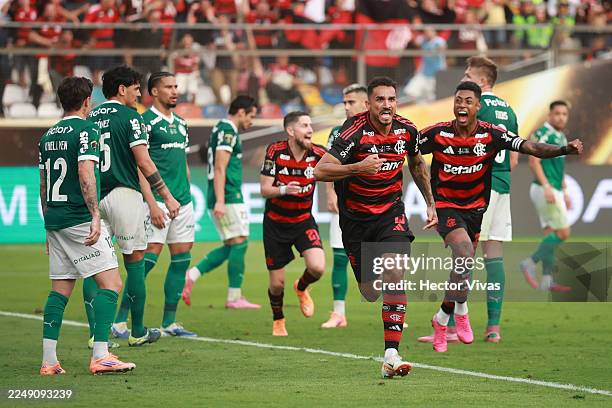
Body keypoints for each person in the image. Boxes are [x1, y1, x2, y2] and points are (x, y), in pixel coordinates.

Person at [418, 81, 582, 353]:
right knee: (464, 250)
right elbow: (406, 147)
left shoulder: (492, 134)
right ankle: (461, 311)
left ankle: (442, 318)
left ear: (477, 107)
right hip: (447, 206)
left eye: (468, 101)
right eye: (458, 100)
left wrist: (564, 150)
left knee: (463, 266)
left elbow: (531, 148)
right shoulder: (437, 133)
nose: (462, 105)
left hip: (475, 209)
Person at [314, 77, 437, 379]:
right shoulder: (353, 131)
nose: (386, 105)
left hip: (390, 214)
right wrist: (358, 167)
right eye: (380, 100)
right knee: (370, 292)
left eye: (391, 99)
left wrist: (431, 203)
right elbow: (320, 170)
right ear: (369, 104)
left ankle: (391, 355)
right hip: (356, 221)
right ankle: (379, 292)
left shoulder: (407, 130)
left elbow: (418, 164)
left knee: (395, 271)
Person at [418, 56, 519, 344]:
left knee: (465, 254)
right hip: (503, 184)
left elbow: (467, 144)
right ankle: (493, 327)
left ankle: (450, 324)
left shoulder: (476, 107)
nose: (463, 79)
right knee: (493, 253)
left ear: (482, 82)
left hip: (475, 188)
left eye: (468, 74)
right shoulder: (508, 110)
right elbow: (513, 157)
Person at [39, 76, 135, 375]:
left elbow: (43, 184)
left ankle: (49, 361)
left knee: (60, 289)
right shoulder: (87, 130)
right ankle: (101, 355)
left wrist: (47, 225)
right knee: (112, 284)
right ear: (86, 102)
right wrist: (95, 215)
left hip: (55, 219)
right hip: (78, 217)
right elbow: (85, 173)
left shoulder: (47, 136)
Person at [85, 65, 180, 347]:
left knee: (93, 267)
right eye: (137, 89)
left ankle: (95, 335)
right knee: (135, 263)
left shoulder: (89, 116)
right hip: (124, 195)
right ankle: (137, 331)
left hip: (94, 197)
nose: (140, 94)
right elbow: (143, 160)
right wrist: (166, 194)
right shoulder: (131, 117)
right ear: (122, 89)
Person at [112, 72, 197, 337]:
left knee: (181, 259)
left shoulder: (182, 123)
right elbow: (141, 166)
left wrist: (187, 193)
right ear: (154, 92)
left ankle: (169, 322)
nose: (174, 91)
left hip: (183, 202)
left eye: (176, 86)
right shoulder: (144, 122)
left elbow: (182, 162)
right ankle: (119, 321)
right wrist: (152, 204)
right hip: (158, 202)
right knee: (146, 261)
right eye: (168, 87)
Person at [182, 96, 260, 309]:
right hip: (227, 194)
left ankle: (192, 275)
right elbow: (219, 167)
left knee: (234, 243)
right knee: (240, 241)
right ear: (241, 112)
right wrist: (220, 200)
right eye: (251, 116)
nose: (252, 121)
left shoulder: (222, 129)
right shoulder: (227, 130)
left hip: (229, 193)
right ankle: (234, 298)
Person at [260, 111, 327, 336]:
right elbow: (264, 190)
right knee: (277, 284)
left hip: (303, 221)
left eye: (311, 125)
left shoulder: (318, 153)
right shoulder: (275, 151)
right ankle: (278, 319)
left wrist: (333, 195)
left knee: (317, 268)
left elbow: (336, 171)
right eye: (304, 125)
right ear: (290, 131)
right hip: (275, 224)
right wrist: (283, 189)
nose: (310, 130)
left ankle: (301, 287)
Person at [321, 83, 368, 329]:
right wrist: (330, 194)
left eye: (351, 102)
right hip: (345, 202)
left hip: (373, 204)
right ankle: (339, 312)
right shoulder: (337, 132)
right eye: (345, 102)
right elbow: (328, 165)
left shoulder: (378, 129)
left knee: (384, 260)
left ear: (365, 103)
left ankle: (393, 310)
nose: (346, 106)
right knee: (340, 257)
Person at [520, 100, 574, 292]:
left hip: (553, 188)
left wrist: (565, 190)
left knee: (550, 234)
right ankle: (529, 262)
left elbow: (559, 168)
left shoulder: (560, 136)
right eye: (557, 113)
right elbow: (534, 162)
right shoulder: (543, 133)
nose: (561, 117)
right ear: (550, 115)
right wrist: (547, 187)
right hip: (545, 189)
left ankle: (547, 280)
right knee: (564, 232)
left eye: (564, 114)